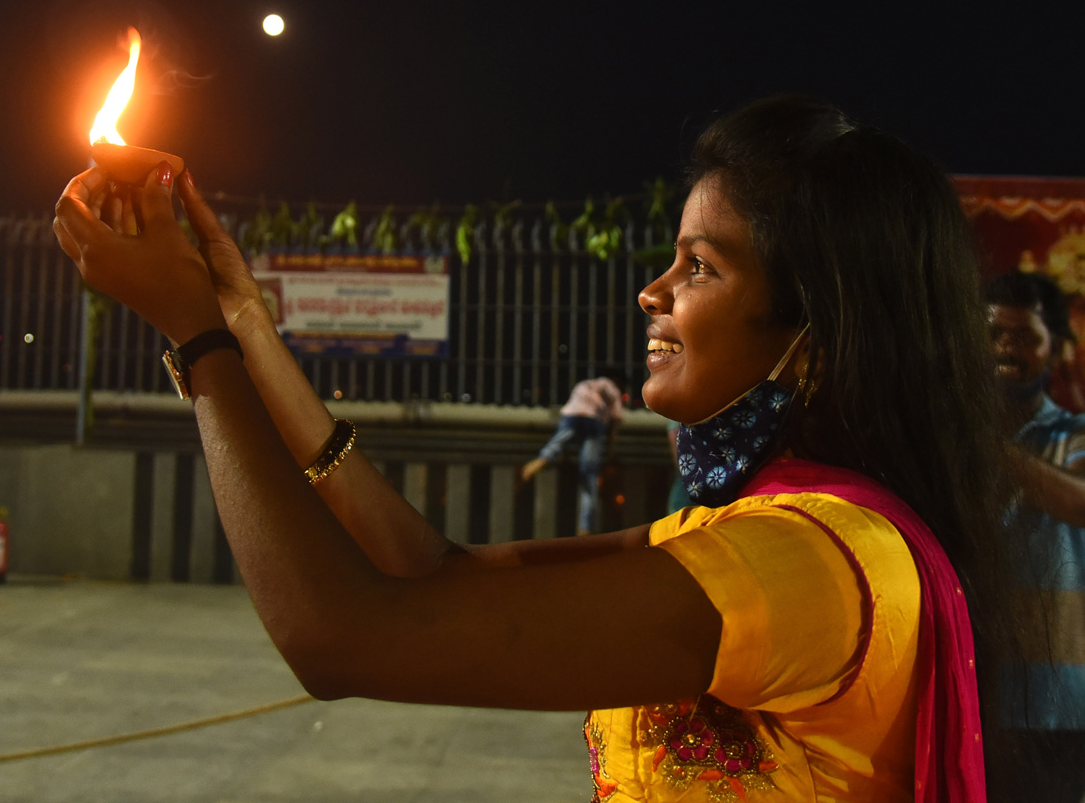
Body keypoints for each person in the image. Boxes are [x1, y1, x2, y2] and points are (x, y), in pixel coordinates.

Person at [53, 95, 1021, 802]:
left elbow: (342, 640)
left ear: (816, 323)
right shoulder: (779, 532)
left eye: (700, 266)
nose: (654, 292)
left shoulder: (809, 560)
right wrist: (244, 323)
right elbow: (431, 567)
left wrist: (196, 341)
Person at [986, 270, 1085, 803]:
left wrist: (989, 447)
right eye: (993, 335)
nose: (1007, 349)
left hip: (1054, 709)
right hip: (966, 699)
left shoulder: (1076, 434)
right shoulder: (946, 443)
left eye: (1026, 337)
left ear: (1054, 348)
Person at [520, 371, 625, 534]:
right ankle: (585, 527)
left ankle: (545, 457)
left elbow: (569, 410)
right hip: (594, 420)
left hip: (572, 416)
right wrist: (611, 448)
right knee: (589, 475)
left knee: (561, 439)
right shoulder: (613, 389)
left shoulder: (583, 384)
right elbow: (616, 419)